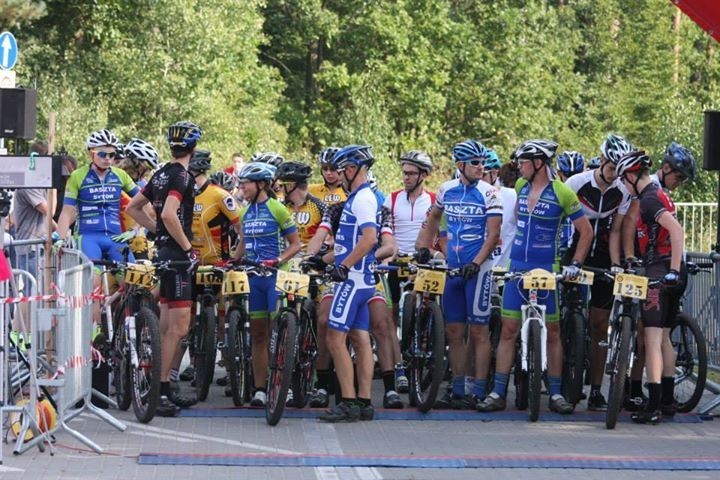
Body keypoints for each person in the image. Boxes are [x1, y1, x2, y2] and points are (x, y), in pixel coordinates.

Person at [477, 139, 592, 414]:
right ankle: (498, 392)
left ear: (539, 163)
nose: (519, 167)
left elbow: (586, 232)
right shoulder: (520, 186)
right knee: (508, 330)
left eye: (524, 162)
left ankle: (555, 394)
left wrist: (575, 263)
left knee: (553, 332)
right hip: (518, 265)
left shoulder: (563, 192)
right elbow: (517, 218)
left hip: (546, 267)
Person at [416, 139, 502, 409]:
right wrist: (423, 246)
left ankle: (479, 391)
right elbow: (433, 217)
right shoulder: (447, 189)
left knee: (478, 332)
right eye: (475, 163)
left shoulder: (490, 193)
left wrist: (476, 263)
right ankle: (457, 389)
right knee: (454, 331)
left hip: (478, 270)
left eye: (483, 163)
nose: (481, 167)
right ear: (460, 165)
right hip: (453, 269)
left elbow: (494, 235)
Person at [126, 120, 203, 416]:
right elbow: (171, 214)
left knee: (168, 324)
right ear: (193, 147)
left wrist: (156, 229)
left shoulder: (160, 174)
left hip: (162, 252)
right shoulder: (182, 176)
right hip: (178, 257)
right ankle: (160, 389)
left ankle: (163, 388)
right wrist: (187, 247)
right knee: (179, 327)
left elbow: (132, 207)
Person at [621, 141, 696, 413]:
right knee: (663, 339)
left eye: (624, 180)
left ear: (632, 177)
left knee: (651, 341)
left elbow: (676, 231)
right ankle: (665, 400)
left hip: (660, 271)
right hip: (670, 270)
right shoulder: (659, 193)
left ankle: (652, 406)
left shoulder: (649, 198)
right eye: (679, 177)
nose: (624, 186)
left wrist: (672, 270)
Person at [564, 134, 633, 411]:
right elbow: (559, 219)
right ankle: (562, 373)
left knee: (600, 324)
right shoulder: (576, 183)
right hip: (574, 250)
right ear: (602, 160)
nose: (616, 174)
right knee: (567, 312)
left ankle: (595, 390)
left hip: (603, 253)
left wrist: (616, 264)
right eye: (612, 167)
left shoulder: (623, 190)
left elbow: (616, 231)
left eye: (620, 169)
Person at [169, 149, 241, 392]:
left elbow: (240, 226)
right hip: (189, 263)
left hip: (218, 264)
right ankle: (172, 373)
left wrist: (236, 255)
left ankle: (231, 372)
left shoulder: (219, 195)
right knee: (185, 320)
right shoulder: (180, 195)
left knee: (223, 320)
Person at [316, 145, 379, 422]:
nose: (338, 177)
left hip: (352, 281)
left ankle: (349, 402)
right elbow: (348, 243)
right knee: (360, 338)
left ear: (352, 170)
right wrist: (324, 260)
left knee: (334, 337)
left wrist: (343, 266)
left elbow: (369, 239)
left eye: (341, 171)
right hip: (362, 279)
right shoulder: (359, 197)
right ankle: (364, 401)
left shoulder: (362, 199)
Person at [234, 161, 301, 407]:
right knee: (258, 335)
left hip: (276, 276)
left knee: (279, 333)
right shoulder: (244, 212)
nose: (242, 188)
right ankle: (260, 388)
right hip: (254, 278)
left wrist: (279, 260)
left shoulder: (277, 209)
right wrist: (232, 260)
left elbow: (296, 244)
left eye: (246, 184)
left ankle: (285, 384)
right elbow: (243, 244)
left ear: (261, 184)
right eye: (240, 184)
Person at [383, 150, 434, 391]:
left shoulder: (434, 200)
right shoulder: (391, 199)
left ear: (423, 175)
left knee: (428, 308)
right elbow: (385, 230)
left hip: (422, 262)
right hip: (397, 261)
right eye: (404, 173)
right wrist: (388, 254)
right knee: (390, 317)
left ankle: (429, 347)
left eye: (411, 174)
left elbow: (439, 232)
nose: (406, 178)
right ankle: (399, 367)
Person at [275, 161, 326, 256]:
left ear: (290, 186)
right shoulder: (280, 207)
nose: (280, 189)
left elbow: (334, 233)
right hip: (286, 259)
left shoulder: (319, 206)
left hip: (311, 260)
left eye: (281, 185)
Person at [482, 148, 517, 269]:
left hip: (503, 271)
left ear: (494, 173)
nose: (478, 181)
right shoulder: (471, 198)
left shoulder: (512, 196)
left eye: (483, 175)